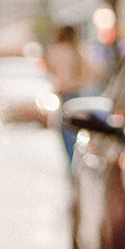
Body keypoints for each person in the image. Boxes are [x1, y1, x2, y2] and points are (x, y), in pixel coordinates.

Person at [48, 23, 91, 161]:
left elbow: (53, 73)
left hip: (65, 94)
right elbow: (95, 72)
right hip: (77, 94)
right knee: (75, 134)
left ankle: (72, 166)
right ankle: (75, 166)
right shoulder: (78, 51)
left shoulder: (57, 50)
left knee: (66, 133)